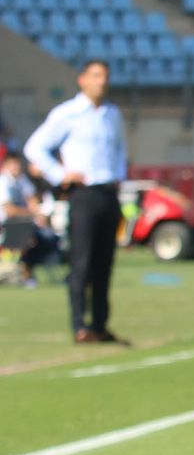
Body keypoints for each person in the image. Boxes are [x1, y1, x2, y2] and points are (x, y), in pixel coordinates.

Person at [24, 59, 128, 343]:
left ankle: (100, 324)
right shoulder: (68, 113)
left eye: (105, 76)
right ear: (82, 79)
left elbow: (120, 149)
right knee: (81, 262)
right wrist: (61, 175)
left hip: (108, 193)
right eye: (95, 76)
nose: (101, 82)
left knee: (105, 263)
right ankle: (79, 325)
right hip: (83, 194)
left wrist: (119, 175)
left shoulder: (112, 114)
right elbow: (35, 148)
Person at [1, 153, 56, 286]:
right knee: (30, 240)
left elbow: (32, 200)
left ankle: (26, 269)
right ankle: (23, 272)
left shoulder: (22, 180)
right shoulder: (3, 182)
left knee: (48, 237)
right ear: (5, 165)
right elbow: (9, 211)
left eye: (18, 164)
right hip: (6, 226)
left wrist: (38, 214)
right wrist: (32, 214)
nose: (16, 167)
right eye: (13, 164)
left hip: (24, 224)